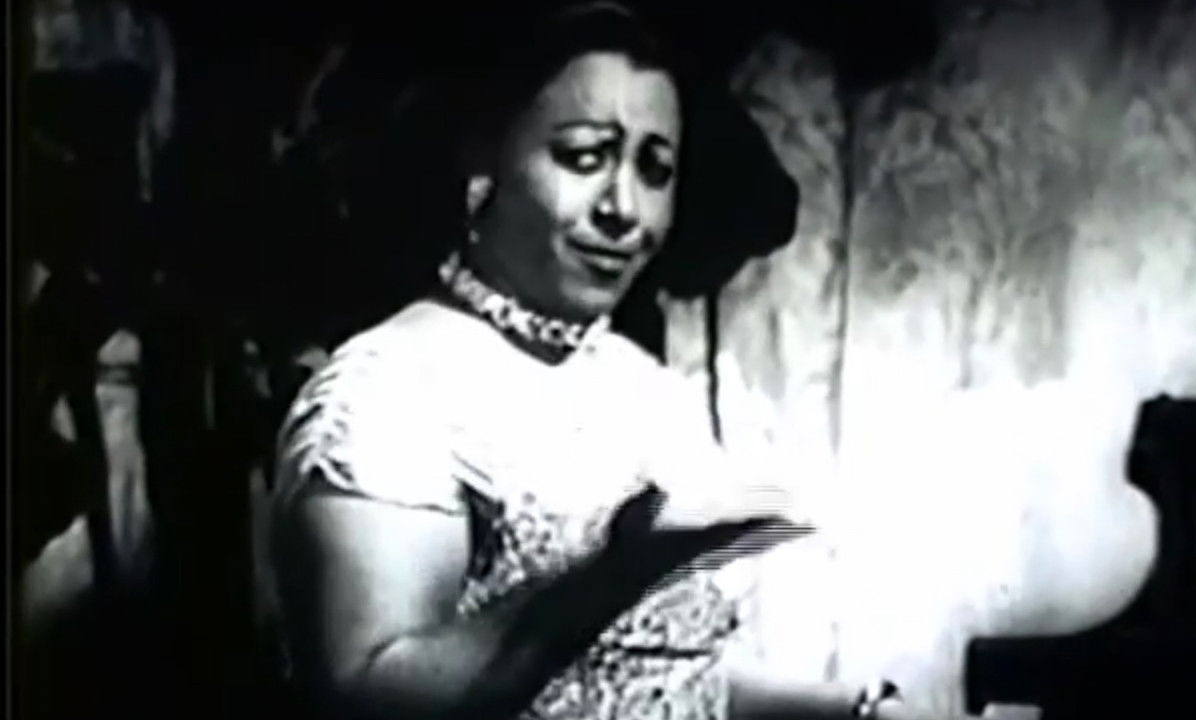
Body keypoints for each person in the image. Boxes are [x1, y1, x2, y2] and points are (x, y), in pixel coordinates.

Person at [257, 3, 918, 719]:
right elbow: (370, 696)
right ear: (483, 160)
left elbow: (659, 677)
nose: (623, 209)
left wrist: (856, 708)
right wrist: (606, 577)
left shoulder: (642, 387)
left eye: (655, 171)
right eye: (582, 157)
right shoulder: (387, 394)